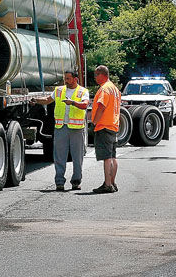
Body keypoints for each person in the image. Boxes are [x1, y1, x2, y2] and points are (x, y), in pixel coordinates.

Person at [32, 71, 90, 191]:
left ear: (75, 79)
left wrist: (72, 103)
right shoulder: (59, 90)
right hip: (60, 127)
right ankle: (59, 182)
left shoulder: (83, 91)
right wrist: (36, 100)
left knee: (77, 157)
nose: (66, 81)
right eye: (65, 78)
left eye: (68, 78)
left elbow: (85, 105)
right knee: (59, 156)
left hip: (76, 129)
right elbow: (48, 100)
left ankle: (76, 181)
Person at [90, 65, 121, 194]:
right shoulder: (114, 88)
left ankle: (107, 185)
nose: (95, 78)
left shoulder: (104, 89)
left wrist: (94, 122)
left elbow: (101, 107)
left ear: (102, 74)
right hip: (113, 125)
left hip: (104, 125)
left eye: (96, 75)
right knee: (113, 156)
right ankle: (112, 182)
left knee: (107, 157)